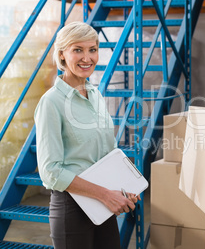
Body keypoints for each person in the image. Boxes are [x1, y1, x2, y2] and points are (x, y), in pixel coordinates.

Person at [34, 21, 139, 249]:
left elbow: (106, 153)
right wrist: (104, 195)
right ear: (62, 55)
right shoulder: (51, 102)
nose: (87, 58)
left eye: (92, 49)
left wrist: (124, 187)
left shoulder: (95, 94)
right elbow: (51, 171)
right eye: (77, 50)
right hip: (72, 208)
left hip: (102, 203)